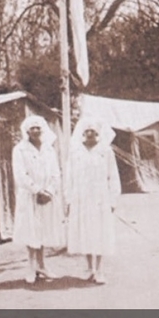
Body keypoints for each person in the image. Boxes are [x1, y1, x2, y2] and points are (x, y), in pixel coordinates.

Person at [65, 117, 121, 284]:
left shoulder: (106, 151)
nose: (90, 134)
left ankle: (101, 269)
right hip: (81, 197)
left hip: (100, 198)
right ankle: (90, 268)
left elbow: (113, 177)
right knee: (86, 231)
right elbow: (69, 177)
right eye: (87, 131)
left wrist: (112, 200)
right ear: (83, 133)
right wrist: (68, 198)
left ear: (98, 133)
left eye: (94, 132)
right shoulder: (75, 152)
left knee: (100, 232)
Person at [12, 115, 64, 283]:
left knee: (42, 230)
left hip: (46, 198)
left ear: (43, 129)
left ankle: (42, 265)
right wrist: (37, 190)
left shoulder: (49, 149)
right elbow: (20, 175)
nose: (35, 131)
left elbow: (56, 173)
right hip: (29, 196)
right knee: (31, 230)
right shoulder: (19, 149)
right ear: (27, 130)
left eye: (38, 128)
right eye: (32, 128)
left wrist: (48, 191)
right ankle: (31, 267)